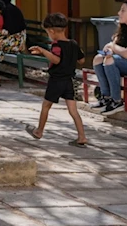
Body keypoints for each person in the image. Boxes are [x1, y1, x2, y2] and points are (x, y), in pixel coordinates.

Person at [25, 13, 88, 147]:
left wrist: (43, 51)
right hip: (69, 81)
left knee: (46, 106)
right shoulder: (73, 43)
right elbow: (82, 60)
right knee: (73, 110)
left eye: (47, 32)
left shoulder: (56, 45)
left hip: (56, 81)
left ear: (52, 31)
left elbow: (56, 59)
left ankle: (39, 131)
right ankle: (82, 136)